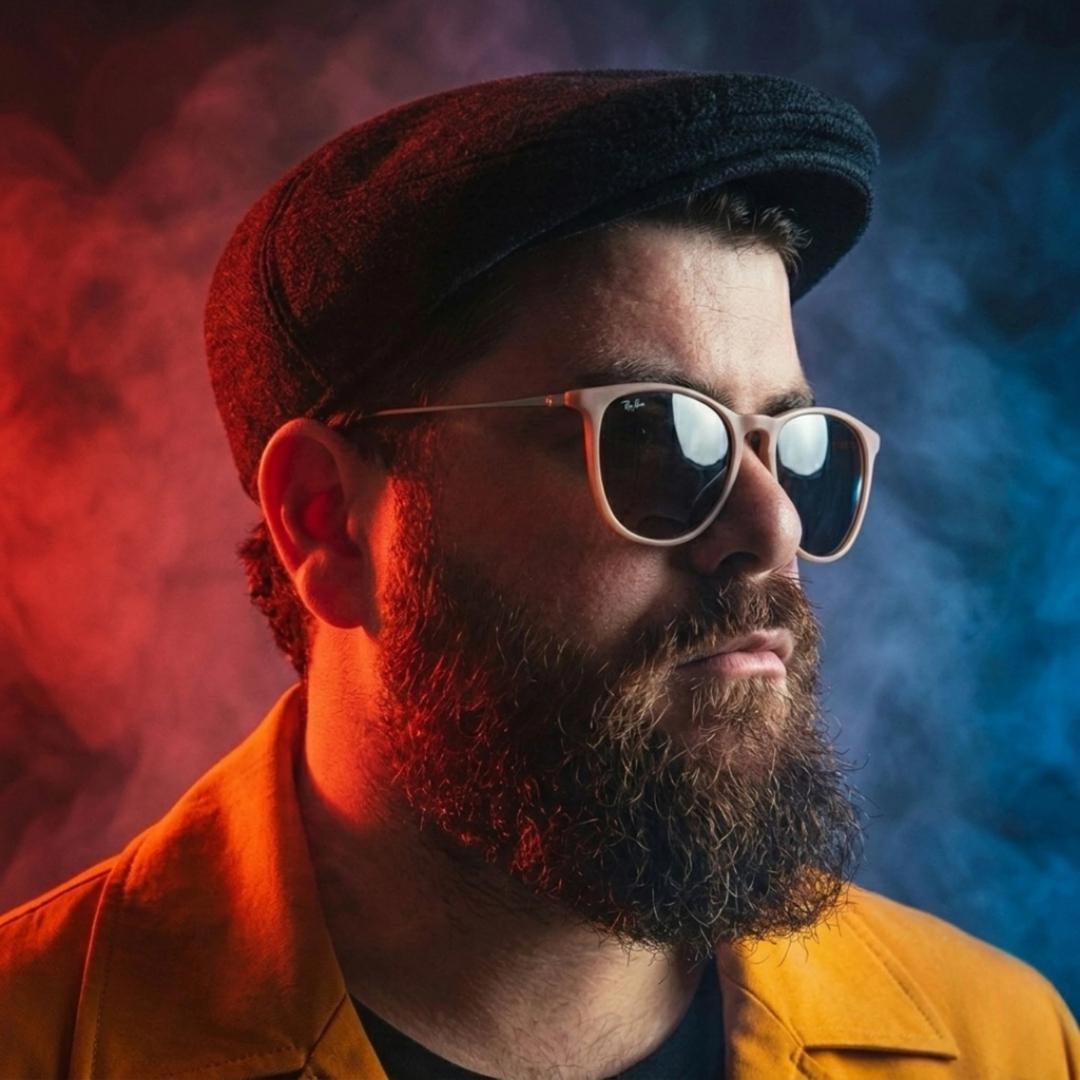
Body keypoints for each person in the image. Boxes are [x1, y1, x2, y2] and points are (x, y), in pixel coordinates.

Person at [0, 70, 1075, 1080]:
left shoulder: (1005, 1044)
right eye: (656, 438)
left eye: (796, 449)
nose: (774, 528)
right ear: (327, 522)